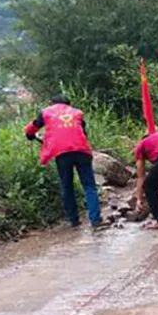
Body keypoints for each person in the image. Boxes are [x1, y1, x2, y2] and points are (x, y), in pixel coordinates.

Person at [23, 95, 103, 229]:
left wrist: (30, 135)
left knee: (67, 186)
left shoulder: (46, 112)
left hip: (62, 154)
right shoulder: (77, 112)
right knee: (89, 186)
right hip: (82, 151)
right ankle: (95, 220)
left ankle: (73, 220)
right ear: (68, 104)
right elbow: (83, 133)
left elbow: (33, 127)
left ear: (52, 103)